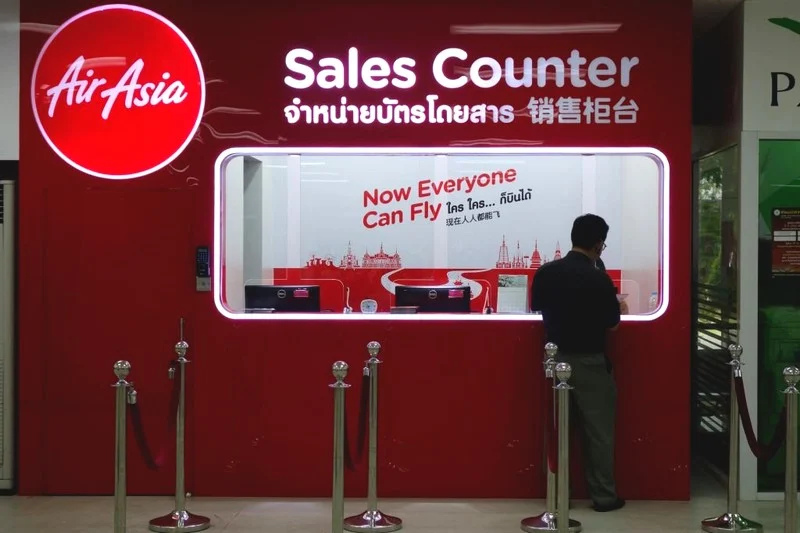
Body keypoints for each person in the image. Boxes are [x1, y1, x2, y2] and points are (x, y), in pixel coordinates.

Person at [530, 213, 628, 512]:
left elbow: (536, 308)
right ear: (599, 244)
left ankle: (560, 496)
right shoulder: (598, 278)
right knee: (598, 433)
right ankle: (603, 497)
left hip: (553, 360)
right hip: (589, 362)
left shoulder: (546, 272)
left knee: (558, 431)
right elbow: (612, 324)